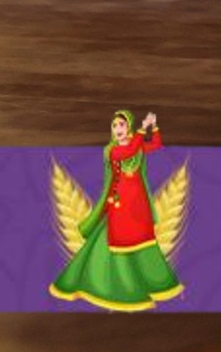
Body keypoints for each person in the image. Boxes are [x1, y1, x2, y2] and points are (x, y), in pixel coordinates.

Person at [51, 110, 184, 309]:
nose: (117, 129)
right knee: (119, 239)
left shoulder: (136, 147)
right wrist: (142, 130)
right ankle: (118, 285)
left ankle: (153, 281)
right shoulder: (111, 150)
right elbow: (127, 152)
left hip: (138, 204)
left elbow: (155, 145)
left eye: (121, 125)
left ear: (128, 127)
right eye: (114, 126)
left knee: (143, 238)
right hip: (120, 204)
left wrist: (153, 127)